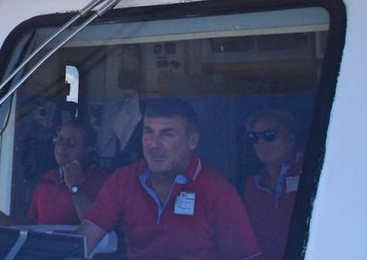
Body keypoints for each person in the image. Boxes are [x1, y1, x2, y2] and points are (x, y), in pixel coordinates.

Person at [75, 97, 261, 259]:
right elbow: (85, 239)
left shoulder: (218, 192)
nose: (154, 144)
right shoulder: (123, 180)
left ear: (192, 141)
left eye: (167, 134)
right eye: (148, 132)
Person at [0, 119, 108, 226]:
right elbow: (34, 222)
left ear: (88, 148)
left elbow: (97, 226)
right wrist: (7, 220)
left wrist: (74, 187)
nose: (61, 146)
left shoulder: (102, 181)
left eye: (71, 143)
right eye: (59, 139)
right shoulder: (47, 178)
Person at [244, 109, 303, 260]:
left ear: (290, 139)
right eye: (254, 137)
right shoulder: (252, 185)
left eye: (269, 136)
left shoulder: (309, 172)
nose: (260, 143)